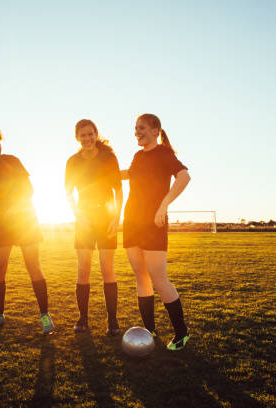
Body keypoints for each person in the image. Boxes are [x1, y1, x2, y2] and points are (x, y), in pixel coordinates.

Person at [0, 128, 54, 334]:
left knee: (33, 265)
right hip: (2, 224)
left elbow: (29, 190)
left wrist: (13, 208)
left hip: (25, 220)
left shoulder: (13, 161)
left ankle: (45, 315)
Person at [121, 113, 191, 350]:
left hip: (154, 222)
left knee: (159, 280)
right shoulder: (138, 156)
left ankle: (181, 333)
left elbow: (184, 176)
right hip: (131, 221)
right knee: (141, 276)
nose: (136, 132)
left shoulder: (164, 152)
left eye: (141, 128)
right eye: (135, 128)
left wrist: (164, 205)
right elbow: (130, 174)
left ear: (155, 130)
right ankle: (149, 330)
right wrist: (102, 172)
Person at [65, 119, 123, 335]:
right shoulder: (72, 162)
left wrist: (116, 219)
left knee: (107, 269)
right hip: (84, 218)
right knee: (84, 270)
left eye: (91, 134)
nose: (87, 138)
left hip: (106, 216)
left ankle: (113, 321)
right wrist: (79, 215)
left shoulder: (109, 158)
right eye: (83, 135)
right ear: (77, 137)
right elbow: (68, 192)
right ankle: (83, 319)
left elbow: (118, 191)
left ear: (96, 134)